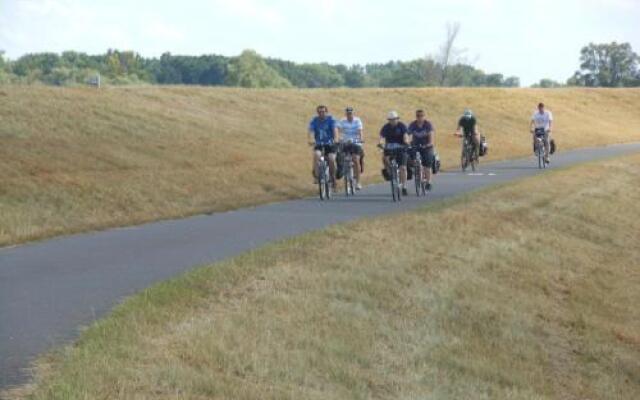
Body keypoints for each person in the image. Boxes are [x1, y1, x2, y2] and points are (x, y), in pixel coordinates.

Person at [379, 111, 410, 195]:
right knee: (385, 158)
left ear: (397, 119)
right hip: (389, 147)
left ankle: (404, 186)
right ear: (388, 120)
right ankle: (390, 172)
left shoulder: (402, 126)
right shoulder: (385, 127)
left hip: (400, 147)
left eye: (394, 119)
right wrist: (381, 143)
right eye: (391, 119)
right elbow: (382, 137)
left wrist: (406, 141)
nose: (392, 121)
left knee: (403, 167)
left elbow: (405, 135)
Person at [308, 105, 338, 188]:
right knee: (317, 155)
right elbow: (311, 131)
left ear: (326, 112)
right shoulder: (314, 120)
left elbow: (335, 130)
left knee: (331, 158)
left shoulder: (331, 119)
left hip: (330, 144)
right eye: (320, 112)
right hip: (319, 144)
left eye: (323, 112)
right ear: (317, 113)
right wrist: (311, 140)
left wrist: (335, 139)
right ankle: (316, 176)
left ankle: (333, 177)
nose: (321, 113)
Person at [337, 107, 364, 190]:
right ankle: (341, 172)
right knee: (339, 156)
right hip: (345, 142)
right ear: (346, 114)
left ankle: (358, 182)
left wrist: (361, 138)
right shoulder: (342, 121)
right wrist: (337, 138)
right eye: (348, 113)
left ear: (353, 113)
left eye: (351, 113)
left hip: (356, 142)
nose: (349, 115)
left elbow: (360, 131)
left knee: (355, 159)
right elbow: (337, 130)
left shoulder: (357, 120)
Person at [408, 109, 435, 191]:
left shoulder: (428, 125)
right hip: (415, 145)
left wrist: (428, 144)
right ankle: (415, 170)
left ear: (424, 116)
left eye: (421, 116)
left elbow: (431, 139)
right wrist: (407, 142)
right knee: (410, 157)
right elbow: (407, 134)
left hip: (426, 146)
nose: (419, 118)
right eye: (418, 116)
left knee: (427, 163)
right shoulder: (413, 125)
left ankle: (429, 182)